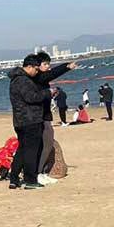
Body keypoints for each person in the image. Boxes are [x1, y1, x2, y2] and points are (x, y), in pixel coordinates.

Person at [7, 55, 51, 190]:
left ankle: (14, 178)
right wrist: (48, 93)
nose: (37, 72)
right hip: (30, 120)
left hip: (20, 120)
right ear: (29, 67)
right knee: (31, 151)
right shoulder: (24, 80)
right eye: (36, 69)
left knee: (22, 149)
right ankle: (30, 180)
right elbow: (31, 97)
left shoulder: (15, 79)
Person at [33, 52, 76, 184]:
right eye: (45, 64)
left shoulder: (40, 78)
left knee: (46, 144)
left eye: (49, 64)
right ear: (37, 65)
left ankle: (40, 172)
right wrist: (66, 66)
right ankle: (38, 173)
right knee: (46, 144)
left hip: (44, 115)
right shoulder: (38, 77)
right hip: (40, 116)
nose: (48, 67)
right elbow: (51, 74)